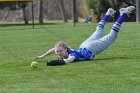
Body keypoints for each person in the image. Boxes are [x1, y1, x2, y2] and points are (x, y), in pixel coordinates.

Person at [34, 6, 135, 66]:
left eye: (60, 51)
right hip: (84, 45)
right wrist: (42, 56)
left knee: (112, 36)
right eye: (58, 52)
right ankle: (109, 13)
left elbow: (68, 60)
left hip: (90, 48)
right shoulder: (70, 50)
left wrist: (53, 63)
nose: (58, 53)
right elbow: (54, 49)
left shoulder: (72, 55)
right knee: (98, 30)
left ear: (65, 49)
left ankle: (123, 14)